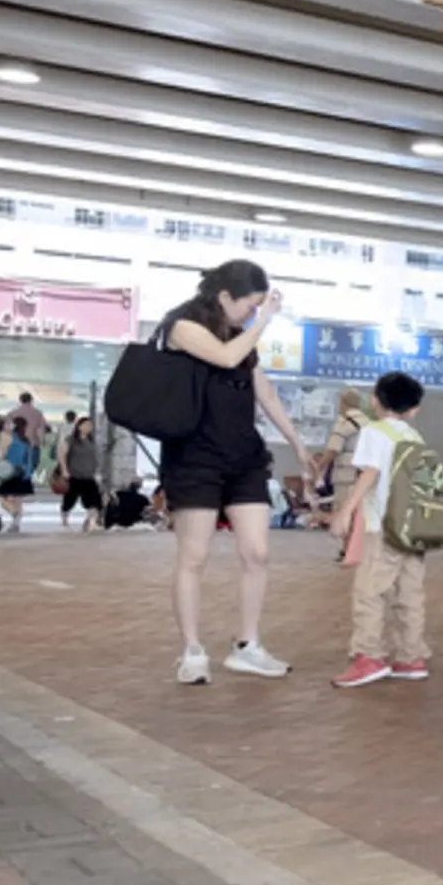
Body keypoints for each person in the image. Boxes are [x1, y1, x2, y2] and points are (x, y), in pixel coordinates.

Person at [158, 260, 320, 686]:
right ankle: (192, 651)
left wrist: (298, 443)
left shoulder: (241, 335)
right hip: (195, 457)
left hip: (243, 455)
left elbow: (261, 387)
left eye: (257, 308)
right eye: (248, 305)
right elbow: (227, 357)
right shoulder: (182, 326)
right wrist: (265, 320)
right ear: (225, 296)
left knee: (257, 552)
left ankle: (247, 646)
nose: (252, 313)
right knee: (194, 556)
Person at [329, 371, 433, 689]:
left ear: (375, 401)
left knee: (370, 592)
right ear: (414, 409)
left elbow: (370, 473)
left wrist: (345, 510)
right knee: (409, 594)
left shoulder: (375, 432)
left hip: (383, 526)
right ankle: (411, 656)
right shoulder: (415, 437)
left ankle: (368, 657)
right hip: (413, 530)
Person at [317, 387, 369, 520]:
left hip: (346, 474)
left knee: (343, 511)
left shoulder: (345, 422)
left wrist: (318, 469)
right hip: (365, 474)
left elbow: (333, 450)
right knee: (360, 513)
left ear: (343, 402)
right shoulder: (369, 423)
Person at [60, 417, 102, 532]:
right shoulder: (71, 440)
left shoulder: (91, 442)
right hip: (75, 474)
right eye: (86, 425)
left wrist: (97, 471)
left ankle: (91, 522)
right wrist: (64, 469)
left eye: (90, 425)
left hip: (89, 475)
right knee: (70, 499)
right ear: (79, 426)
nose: (89, 427)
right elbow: (62, 454)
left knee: (95, 501)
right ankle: (65, 518)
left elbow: (95, 458)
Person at [0, 416, 37, 532]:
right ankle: (16, 522)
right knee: (18, 499)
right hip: (24, 472)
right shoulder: (26, 440)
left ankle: (14, 515)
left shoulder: (7, 437)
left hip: (10, 470)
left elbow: (1, 454)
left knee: (2, 496)